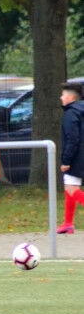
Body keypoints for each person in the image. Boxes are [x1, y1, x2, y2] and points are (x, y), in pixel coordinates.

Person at [57, 82, 84, 234]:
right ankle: (68, 223)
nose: (61, 98)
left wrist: (66, 161)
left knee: (72, 189)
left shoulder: (70, 114)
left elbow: (72, 139)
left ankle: (68, 223)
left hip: (77, 157)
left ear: (70, 97)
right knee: (70, 187)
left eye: (63, 95)